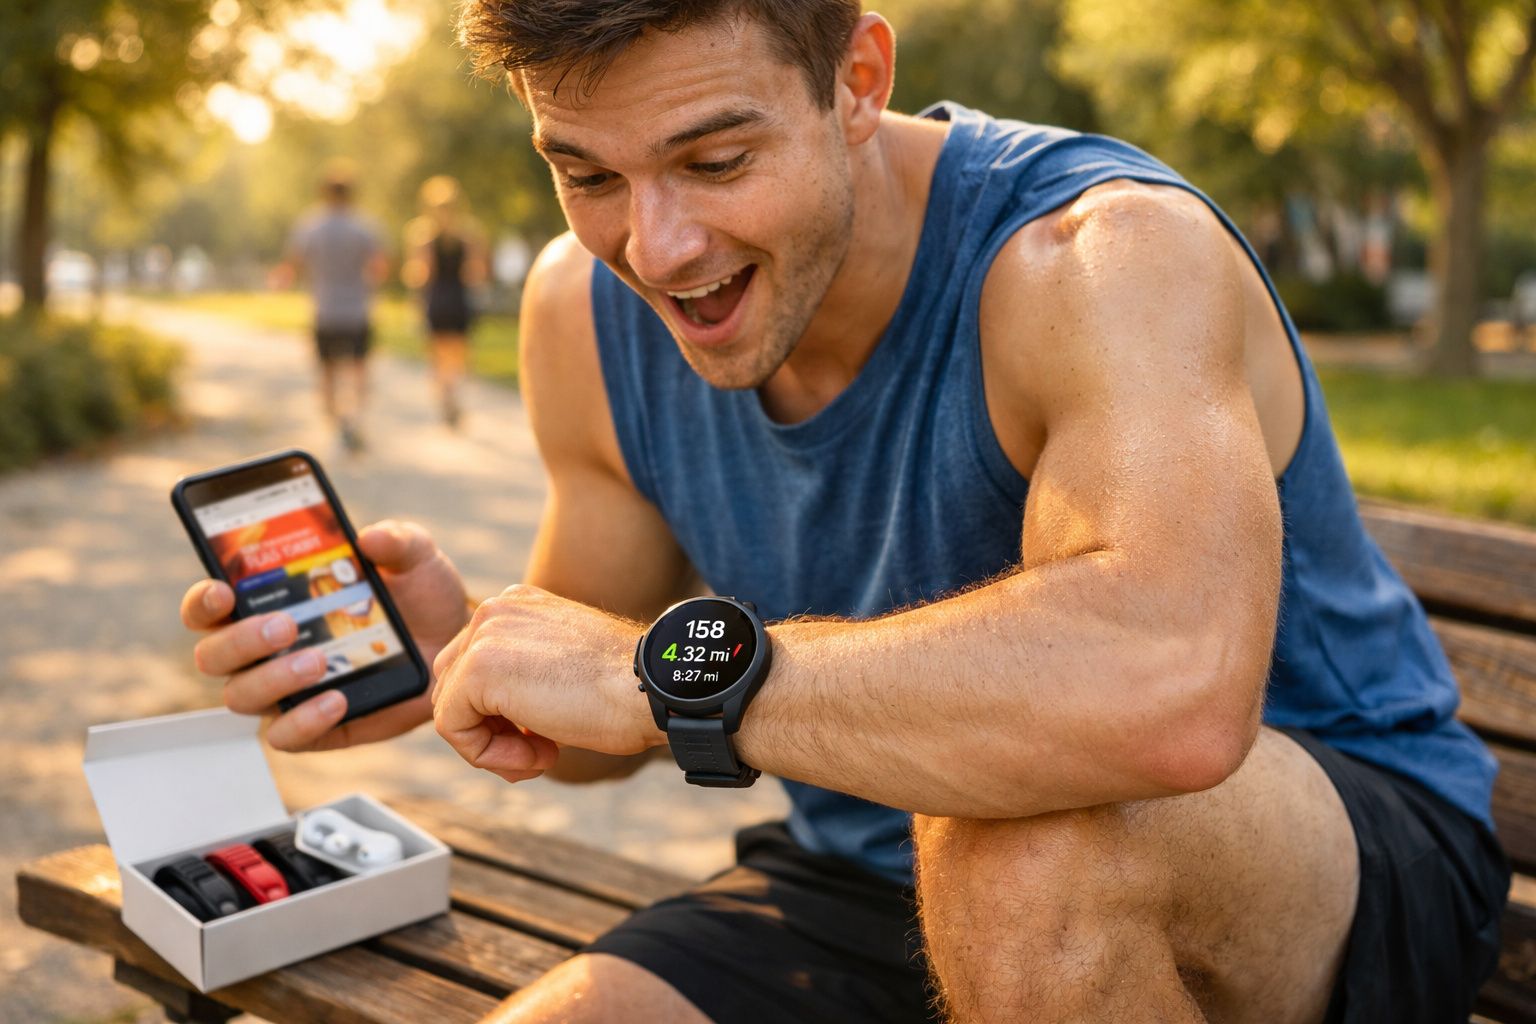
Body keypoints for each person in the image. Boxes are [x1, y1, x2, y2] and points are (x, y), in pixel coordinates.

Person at [182, 4, 1509, 1022]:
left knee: (1024, 855)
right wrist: (470, 656)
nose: (657, 247)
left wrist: (657, 675)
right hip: (872, 873)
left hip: (1306, 862)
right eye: (586, 175)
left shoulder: (1102, 257)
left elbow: (1169, 694)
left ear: (859, 80)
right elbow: (603, 719)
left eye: (715, 159)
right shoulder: (581, 314)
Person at [275, 163, 388, 453]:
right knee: (358, 370)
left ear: (324, 193)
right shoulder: (364, 227)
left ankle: (337, 424)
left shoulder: (310, 227)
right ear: (351, 194)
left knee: (328, 373)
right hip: (357, 310)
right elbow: (379, 268)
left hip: (325, 310)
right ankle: (355, 420)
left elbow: (292, 265)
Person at [402, 175, 489, 429]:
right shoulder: (469, 236)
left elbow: (421, 275)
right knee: (458, 354)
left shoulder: (423, 237)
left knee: (437, 356)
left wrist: (415, 302)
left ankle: (445, 399)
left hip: (437, 300)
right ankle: (455, 394)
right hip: (459, 299)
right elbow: (476, 274)